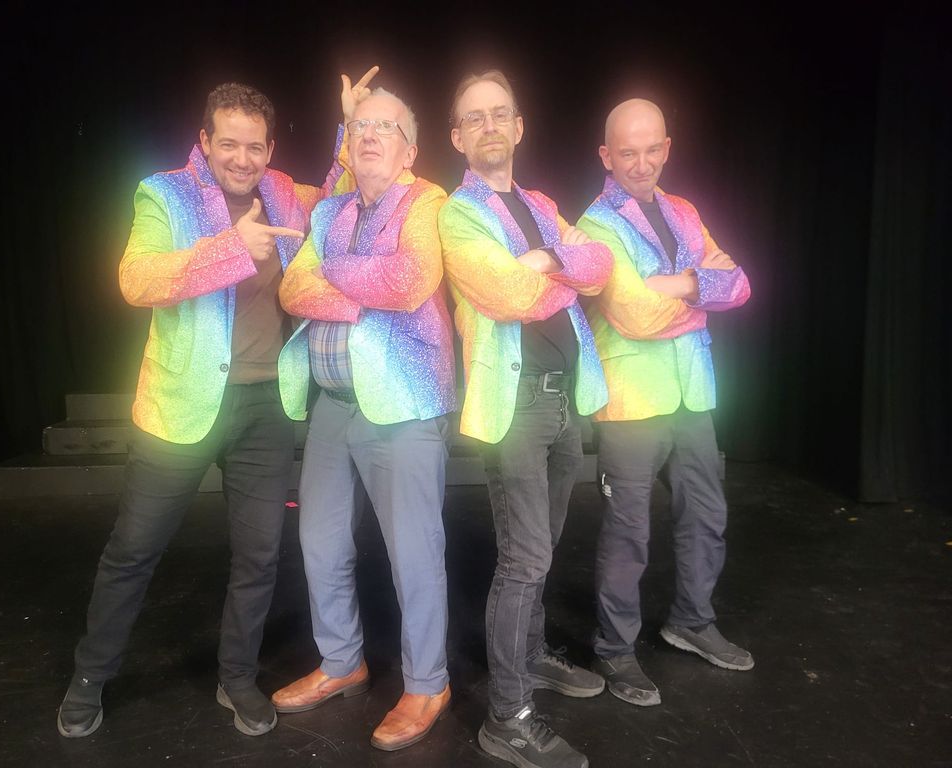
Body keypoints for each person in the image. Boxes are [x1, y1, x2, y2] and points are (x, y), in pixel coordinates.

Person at [57, 78, 355, 739]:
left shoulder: (284, 193)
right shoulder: (164, 194)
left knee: (258, 555)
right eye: (229, 144)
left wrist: (349, 129)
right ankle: (90, 677)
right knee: (134, 550)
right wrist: (230, 250)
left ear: (269, 148)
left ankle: (237, 676)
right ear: (204, 141)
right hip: (181, 404)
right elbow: (137, 279)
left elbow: (337, 200)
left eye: (255, 147)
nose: (242, 159)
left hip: (264, 405)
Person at [270, 78, 455, 752]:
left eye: (385, 128)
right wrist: (354, 282)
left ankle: (429, 682)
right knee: (319, 541)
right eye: (359, 127)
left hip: (403, 403)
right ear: (346, 144)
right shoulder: (329, 213)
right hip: (332, 402)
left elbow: (407, 282)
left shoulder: (428, 200)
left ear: (411, 150)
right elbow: (292, 287)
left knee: (414, 552)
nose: (370, 135)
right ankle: (342, 660)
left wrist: (333, 275)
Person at [438, 70, 612, 768]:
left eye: (499, 114)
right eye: (474, 117)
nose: (489, 126)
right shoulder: (458, 213)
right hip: (516, 405)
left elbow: (599, 266)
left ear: (519, 126)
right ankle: (506, 718)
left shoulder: (540, 205)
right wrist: (555, 268)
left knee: (545, 546)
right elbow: (507, 292)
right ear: (457, 136)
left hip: (565, 398)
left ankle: (533, 655)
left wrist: (545, 257)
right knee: (525, 558)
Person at [576, 98, 753, 708]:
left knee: (705, 511)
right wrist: (701, 286)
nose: (642, 162)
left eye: (653, 149)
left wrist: (672, 286)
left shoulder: (684, 211)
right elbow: (632, 313)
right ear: (606, 155)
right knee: (629, 531)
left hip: (691, 391)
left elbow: (739, 284)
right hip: (631, 399)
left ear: (668, 147)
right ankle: (614, 648)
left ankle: (691, 622)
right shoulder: (595, 226)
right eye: (628, 152)